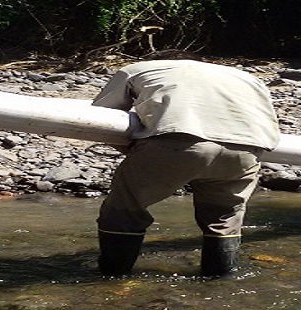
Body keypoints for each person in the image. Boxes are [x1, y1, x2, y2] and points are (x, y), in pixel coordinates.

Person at [91, 52, 280, 278]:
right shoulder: (248, 78)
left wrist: (134, 151)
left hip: (178, 141)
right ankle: (221, 280)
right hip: (246, 150)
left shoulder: (138, 69)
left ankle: (113, 278)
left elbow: (100, 117)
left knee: (124, 209)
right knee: (224, 217)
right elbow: (269, 120)